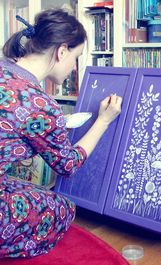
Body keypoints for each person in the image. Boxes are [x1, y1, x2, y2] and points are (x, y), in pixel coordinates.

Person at [0, 8, 122, 258]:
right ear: (62, 51)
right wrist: (104, 121)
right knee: (62, 208)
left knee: (22, 187)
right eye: (75, 58)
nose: (74, 68)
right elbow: (67, 164)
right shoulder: (39, 104)